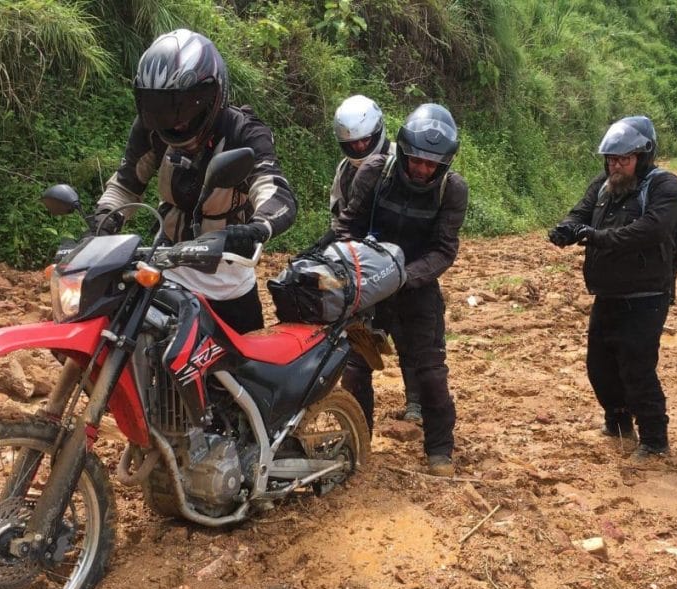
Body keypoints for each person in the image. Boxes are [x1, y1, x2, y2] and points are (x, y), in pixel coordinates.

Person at [94, 29, 297, 333]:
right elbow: (127, 184)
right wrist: (102, 220)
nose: (173, 121)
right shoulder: (151, 129)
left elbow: (275, 191)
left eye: (184, 106)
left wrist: (255, 229)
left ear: (213, 95)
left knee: (241, 376)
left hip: (227, 277)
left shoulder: (243, 132)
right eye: (159, 107)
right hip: (166, 265)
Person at [333, 103, 469, 476]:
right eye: (416, 161)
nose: (423, 169)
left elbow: (444, 250)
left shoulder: (451, 190)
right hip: (370, 289)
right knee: (356, 368)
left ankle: (439, 450)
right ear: (404, 151)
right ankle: (358, 444)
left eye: (432, 164)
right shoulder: (376, 172)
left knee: (430, 372)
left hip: (417, 290)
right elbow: (348, 226)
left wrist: (405, 276)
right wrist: (356, 268)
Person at [547, 115, 677, 458]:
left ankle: (654, 439)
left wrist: (598, 237)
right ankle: (618, 422)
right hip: (608, 292)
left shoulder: (665, 186)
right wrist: (566, 230)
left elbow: (652, 229)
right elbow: (580, 212)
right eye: (611, 159)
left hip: (647, 295)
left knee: (636, 365)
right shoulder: (603, 184)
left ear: (643, 156)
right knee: (600, 365)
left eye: (623, 159)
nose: (616, 166)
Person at [322, 95, 422, 424]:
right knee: (359, 341)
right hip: (362, 266)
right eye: (352, 143)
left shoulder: (402, 163)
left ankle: (416, 403)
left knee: (409, 337)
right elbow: (338, 215)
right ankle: (359, 421)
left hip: (400, 261)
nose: (360, 147)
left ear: (379, 131)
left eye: (365, 140)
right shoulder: (344, 171)